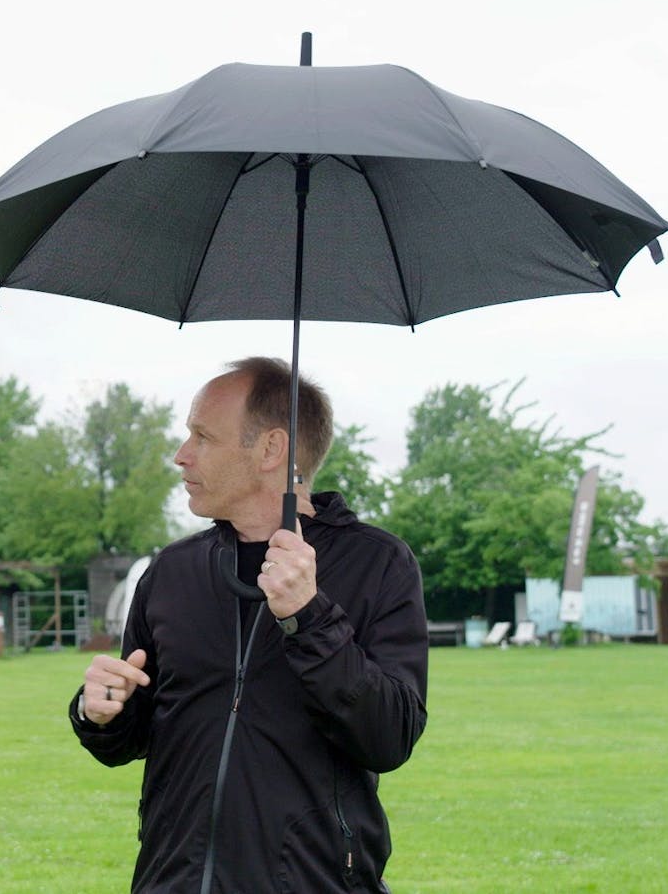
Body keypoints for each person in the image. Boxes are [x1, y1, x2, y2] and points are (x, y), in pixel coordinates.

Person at [69, 357, 428, 893]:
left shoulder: (379, 564)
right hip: (173, 880)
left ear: (270, 450)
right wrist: (100, 713)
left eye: (203, 437)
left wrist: (309, 617)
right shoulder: (171, 572)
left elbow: (389, 738)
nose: (180, 455)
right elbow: (133, 738)